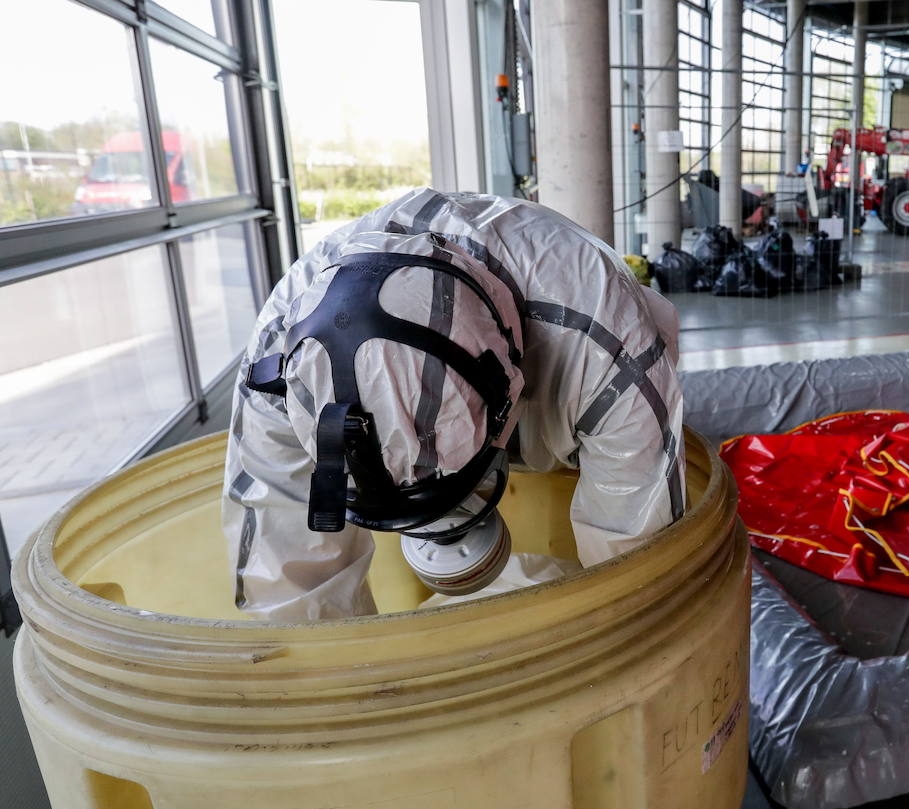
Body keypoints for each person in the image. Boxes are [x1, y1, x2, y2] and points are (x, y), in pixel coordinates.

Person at [223, 189, 684, 620]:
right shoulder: (280, 363)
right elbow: (285, 577)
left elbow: (637, 566)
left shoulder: (602, 343)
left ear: (511, 395)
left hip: (576, 363)